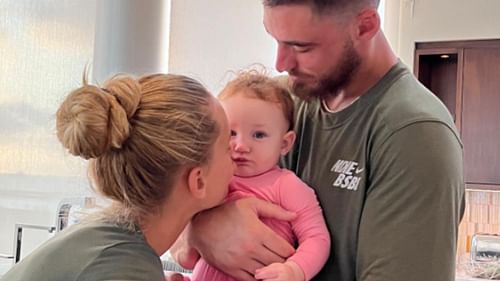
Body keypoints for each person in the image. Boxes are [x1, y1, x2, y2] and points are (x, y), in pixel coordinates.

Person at [170, 0, 465, 281]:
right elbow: (177, 207)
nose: (281, 63)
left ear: (364, 26)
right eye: (276, 40)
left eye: (302, 47)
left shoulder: (415, 134)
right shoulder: (280, 104)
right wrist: (202, 226)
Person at [0, 73, 234, 281]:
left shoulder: (105, 240)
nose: (237, 152)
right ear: (198, 181)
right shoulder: (125, 268)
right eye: (226, 147)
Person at [188, 70, 330, 281]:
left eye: (259, 135)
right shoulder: (209, 178)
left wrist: (295, 270)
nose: (241, 146)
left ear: (284, 144)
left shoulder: (286, 185)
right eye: (231, 132)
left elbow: (316, 237)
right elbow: (187, 254)